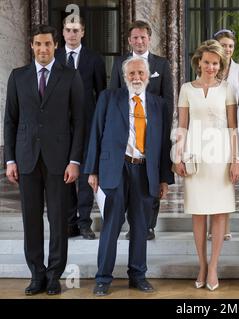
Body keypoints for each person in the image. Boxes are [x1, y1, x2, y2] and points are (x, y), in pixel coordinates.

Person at [4, 24, 84, 295]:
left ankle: (54, 275)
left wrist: (75, 161)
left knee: (59, 220)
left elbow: (79, 122)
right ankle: (36, 274)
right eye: (38, 44)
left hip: (60, 161)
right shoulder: (17, 77)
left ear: (55, 46)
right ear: (32, 46)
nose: (43, 49)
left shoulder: (70, 76)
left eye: (48, 44)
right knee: (31, 219)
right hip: (26, 159)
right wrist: (10, 160)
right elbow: (10, 121)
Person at [84, 56, 173, 296]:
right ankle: (103, 279)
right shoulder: (108, 98)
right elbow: (95, 133)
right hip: (115, 169)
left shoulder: (158, 104)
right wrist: (92, 170)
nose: (136, 78)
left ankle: (138, 276)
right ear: (124, 78)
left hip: (145, 171)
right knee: (111, 226)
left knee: (140, 228)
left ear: (148, 77)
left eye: (140, 74)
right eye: (131, 74)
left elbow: (163, 144)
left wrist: (165, 177)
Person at [173, 40, 239, 291]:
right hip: (195, 156)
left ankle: (213, 267)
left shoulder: (227, 89)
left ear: (220, 65)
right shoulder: (186, 89)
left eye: (215, 63)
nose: (211, 67)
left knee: (220, 212)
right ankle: (201, 264)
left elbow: (234, 128)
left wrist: (235, 160)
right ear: (198, 62)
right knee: (199, 213)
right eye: (207, 62)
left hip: (221, 156)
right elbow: (182, 126)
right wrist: (177, 157)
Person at [110, 20, 174, 240]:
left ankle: (148, 224)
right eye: (135, 37)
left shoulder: (162, 64)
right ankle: (132, 224)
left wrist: (165, 130)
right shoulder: (119, 63)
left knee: (152, 176)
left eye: (143, 37)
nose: (139, 41)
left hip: (153, 130)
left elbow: (168, 100)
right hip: (127, 133)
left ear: (149, 39)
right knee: (128, 179)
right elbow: (113, 97)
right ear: (129, 40)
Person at [55, 15, 107, 240]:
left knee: (86, 174)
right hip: (58, 128)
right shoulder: (55, 57)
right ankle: (70, 222)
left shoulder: (94, 59)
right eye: (68, 30)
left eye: (76, 30)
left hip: (86, 126)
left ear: (83, 32)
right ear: (63, 32)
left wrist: (100, 125)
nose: (72, 34)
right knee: (64, 174)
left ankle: (85, 222)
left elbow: (101, 93)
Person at [205, 29, 239, 241]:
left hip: (233, 128)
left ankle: (225, 226)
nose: (228, 49)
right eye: (224, 45)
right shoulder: (209, 67)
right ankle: (209, 226)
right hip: (210, 130)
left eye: (230, 46)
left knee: (227, 180)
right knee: (209, 178)